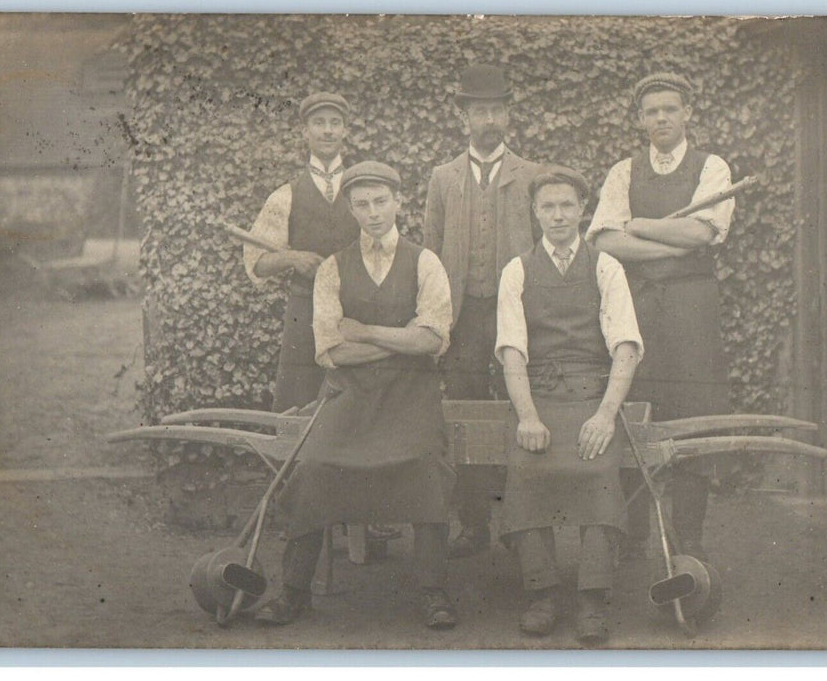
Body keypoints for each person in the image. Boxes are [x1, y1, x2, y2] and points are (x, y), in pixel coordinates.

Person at [254, 162, 459, 630]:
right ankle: (295, 590)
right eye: (362, 204)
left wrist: (364, 332)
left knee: (426, 465)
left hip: (411, 397)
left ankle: (433, 590)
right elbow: (329, 351)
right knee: (315, 466)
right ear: (350, 209)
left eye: (381, 201)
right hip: (349, 397)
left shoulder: (426, 262)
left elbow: (433, 340)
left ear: (398, 203)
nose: (373, 213)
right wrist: (399, 340)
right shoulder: (332, 268)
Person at [586, 72, 735, 561]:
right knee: (634, 413)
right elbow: (604, 239)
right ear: (640, 119)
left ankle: (689, 540)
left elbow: (702, 235)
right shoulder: (622, 172)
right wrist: (663, 244)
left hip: (693, 310)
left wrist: (641, 228)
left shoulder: (711, 167)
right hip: (639, 308)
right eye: (652, 112)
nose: (662, 119)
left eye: (670, 109)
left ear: (687, 112)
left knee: (693, 420)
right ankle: (633, 536)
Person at [495, 165, 642, 646]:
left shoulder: (605, 267)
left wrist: (604, 414)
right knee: (525, 471)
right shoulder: (516, 270)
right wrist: (528, 416)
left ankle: (593, 597)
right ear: (535, 213)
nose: (558, 215)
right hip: (537, 395)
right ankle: (542, 594)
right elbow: (512, 349)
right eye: (547, 207)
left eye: (566, 206)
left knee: (598, 473)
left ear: (582, 210)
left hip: (591, 395)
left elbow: (625, 346)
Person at [423, 64, 542, 559]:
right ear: (464, 118)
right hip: (463, 317)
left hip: (517, 312)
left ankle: (522, 528)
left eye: (496, 110)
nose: (488, 119)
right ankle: (472, 523)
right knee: (466, 417)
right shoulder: (442, 178)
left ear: (508, 115)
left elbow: (542, 245)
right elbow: (429, 251)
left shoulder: (532, 175)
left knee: (524, 412)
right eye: (479, 111)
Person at [243, 91, 359, 413]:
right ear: (305, 132)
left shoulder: (362, 189)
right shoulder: (286, 194)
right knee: (299, 401)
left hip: (355, 311)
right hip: (304, 310)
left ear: (345, 131)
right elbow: (258, 263)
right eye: (319, 123)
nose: (327, 131)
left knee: (355, 402)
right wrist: (293, 258)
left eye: (335, 123)